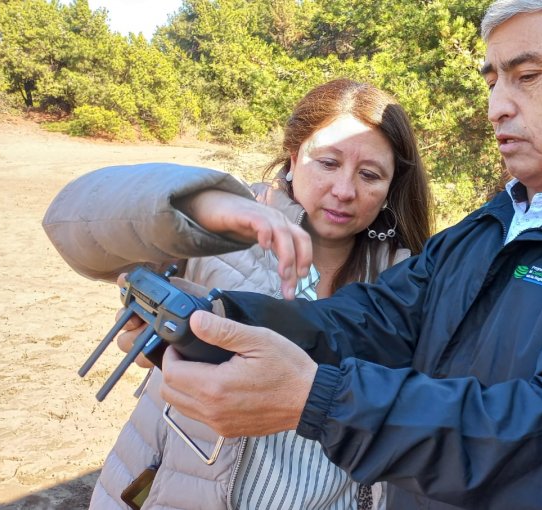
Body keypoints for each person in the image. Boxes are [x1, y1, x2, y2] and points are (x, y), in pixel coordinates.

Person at [101, 1, 542, 508]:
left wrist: (319, 401)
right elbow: (366, 321)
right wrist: (220, 318)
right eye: (493, 79)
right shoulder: (485, 230)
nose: (498, 106)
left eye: (528, 75)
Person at [42, 78, 433, 509]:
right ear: (294, 155)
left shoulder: (408, 277)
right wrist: (205, 207)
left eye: (369, 174)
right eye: (328, 162)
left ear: (391, 186)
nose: (344, 190)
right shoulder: (224, 227)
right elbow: (71, 220)